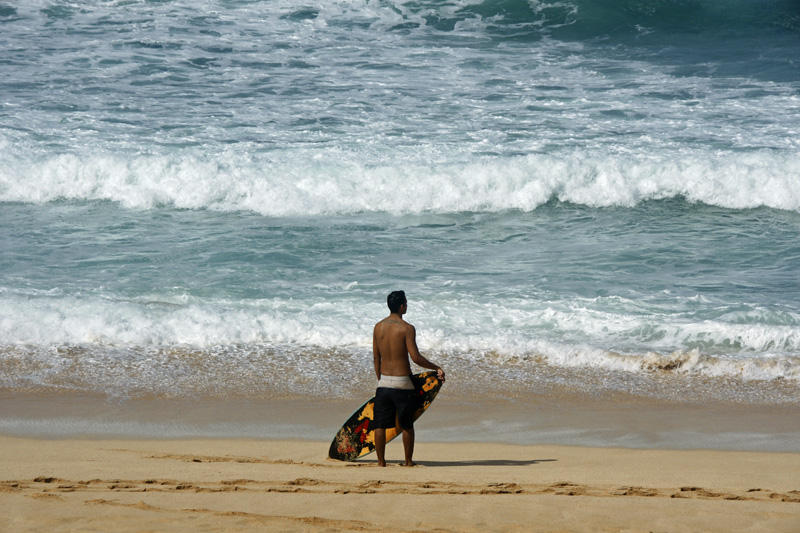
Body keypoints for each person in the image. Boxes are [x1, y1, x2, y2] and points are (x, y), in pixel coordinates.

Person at [372, 290, 445, 466]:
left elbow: (376, 357)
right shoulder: (407, 328)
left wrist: (380, 379)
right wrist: (436, 368)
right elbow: (416, 357)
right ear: (402, 306)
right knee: (407, 424)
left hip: (383, 384)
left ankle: (381, 462)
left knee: (380, 425)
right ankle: (408, 461)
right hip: (403, 383)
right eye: (406, 302)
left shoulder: (378, 327)